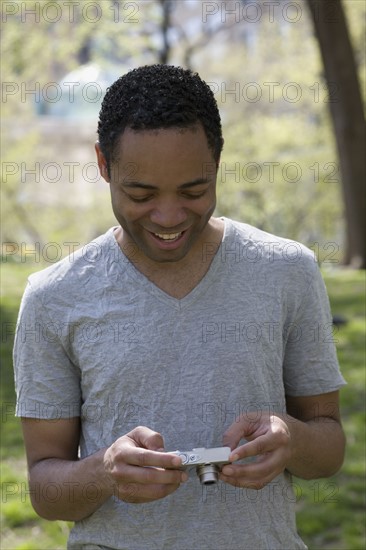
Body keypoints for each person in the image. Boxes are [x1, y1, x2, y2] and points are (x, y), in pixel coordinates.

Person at [14, 64, 346, 550]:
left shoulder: (287, 271)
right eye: (140, 194)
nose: (168, 218)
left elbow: (329, 445)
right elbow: (46, 489)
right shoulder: (53, 298)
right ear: (104, 165)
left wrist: (291, 439)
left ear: (217, 162)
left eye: (194, 191)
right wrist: (105, 471)